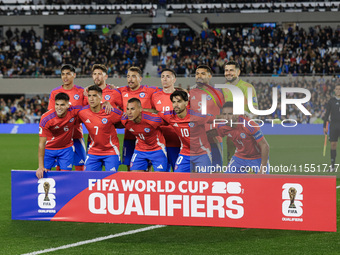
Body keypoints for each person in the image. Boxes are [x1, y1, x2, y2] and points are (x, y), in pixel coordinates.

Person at [159, 90, 213, 173]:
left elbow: (216, 119)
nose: (176, 105)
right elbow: (156, 113)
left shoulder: (196, 116)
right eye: (174, 102)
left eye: (179, 101)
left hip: (202, 153)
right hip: (185, 153)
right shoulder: (170, 116)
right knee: (178, 178)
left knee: (204, 181)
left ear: (186, 102)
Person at [208, 102, 269, 174]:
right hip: (240, 157)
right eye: (224, 114)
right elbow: (212, 133)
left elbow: (265, 145)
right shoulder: (222, 126)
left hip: (257, 157)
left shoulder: (248, 124)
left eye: (230, 114)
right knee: (226, 179)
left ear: (237, 115)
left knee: (262, 181)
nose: (227, 117)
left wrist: (263, 168)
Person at [117, 66, 160, 170]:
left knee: (148, 167)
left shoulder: (149, 90)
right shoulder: (121, 91)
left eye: (133, 76)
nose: (130, 79)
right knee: (129, 165)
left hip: (147, 136)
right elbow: (106, 91)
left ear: (140, 78)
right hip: (130, 134)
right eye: (128, 76)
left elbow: (167, 92)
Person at [47, 64, 86, 171]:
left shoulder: (81, 92)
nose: (65, 77)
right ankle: (60, 187)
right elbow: (51, 113)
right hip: (60, 136)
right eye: (63, 74)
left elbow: (87, 110)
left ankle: (80, 187)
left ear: (74, 75)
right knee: (60, 167)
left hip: (76, 133)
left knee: (80, 164)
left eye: (68, 74)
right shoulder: (55, 92)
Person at [36, 93, 82, 179]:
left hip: (66, 149)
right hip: (49, 149)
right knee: (45, 176)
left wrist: (105, 103)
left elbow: (90, 109)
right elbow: (41, 143)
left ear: (68, 105)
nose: (59, 107)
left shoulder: (74, 111)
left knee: (65, 177)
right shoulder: (46, 118)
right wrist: (40, 166)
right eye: (57, 104)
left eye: (62, 105)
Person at [78, 85, 123, 171]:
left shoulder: (110, 111)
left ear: (101, 97)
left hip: (111, 151)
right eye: (89, 96)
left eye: (94, 96)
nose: (91, 98)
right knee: (88, 178)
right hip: (93, 151)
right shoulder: (82, 113)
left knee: (110, 179)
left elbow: (126, 119)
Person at [222, 61, 258, 163]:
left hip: (246, 132)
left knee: (250, 166)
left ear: (238, 72)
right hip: (231, 133)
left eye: (231, 70)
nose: (228, 73)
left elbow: (255, 110)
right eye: (226, 70)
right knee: (231, 162)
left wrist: (247, 116)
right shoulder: (223, 88)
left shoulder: (248, 87)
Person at [190, 65, 224, 168]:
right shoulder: (190, 93)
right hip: (195, 140)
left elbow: (226, 114)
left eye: (203, 73)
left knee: (215, 171)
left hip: (213, 138)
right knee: (194, 173)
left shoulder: (217, 93)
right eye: (197, 73)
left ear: (209, 76)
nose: (199, 76)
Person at [121, 98, 168, 172]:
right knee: (134, 176)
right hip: (140, 150)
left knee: (160, 178)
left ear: (140, 109)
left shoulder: (152, 119)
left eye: (132, 109)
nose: (129, 112)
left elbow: (168, 120)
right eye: (127, 109)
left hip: (157, 149)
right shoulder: (125, 120)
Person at [150, 68, 181, 171]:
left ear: (174, 79)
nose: (165, 79)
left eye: (168, 76)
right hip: (159, 142)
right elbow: (153, 113)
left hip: (176, 140)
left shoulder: (181, 97)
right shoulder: (155, 96)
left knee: (179, 173)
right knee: (161, 174)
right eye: (162, 76)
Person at [323, 84, 340, 172]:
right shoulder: (331, 101)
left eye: (339, 89)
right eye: (337, 89)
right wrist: (324, 126)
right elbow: (326, 114)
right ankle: (332, 166)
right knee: (333, 145)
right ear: (335, 90)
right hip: (334, 125)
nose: (338, 90)